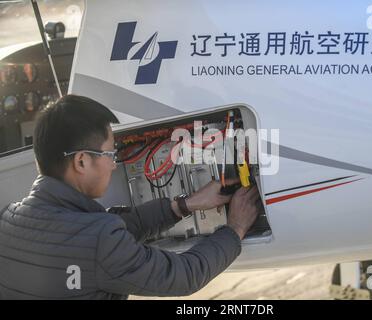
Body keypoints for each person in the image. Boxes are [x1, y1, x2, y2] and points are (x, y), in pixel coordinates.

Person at [0, 95, 260, 299]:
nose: (114, 166)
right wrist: (235, 229)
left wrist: (184, 204)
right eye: (110, 155)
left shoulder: (8, 220)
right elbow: (182, 276)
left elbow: (101, 236)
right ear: (81, 161)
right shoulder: (98, 241)